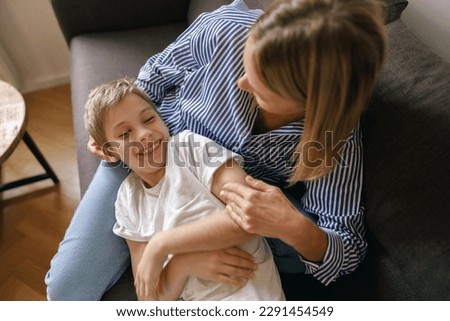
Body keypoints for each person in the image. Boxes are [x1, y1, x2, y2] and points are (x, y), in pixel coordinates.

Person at [46, 0, 387, 300]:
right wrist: (119, 129)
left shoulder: (331, 140)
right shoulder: (225, 29)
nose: (241, 82)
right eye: (246, 61)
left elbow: (347, 246)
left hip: (224, 206)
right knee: (66, 290)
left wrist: (294, 228)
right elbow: (154, 75)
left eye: (260, 81)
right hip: (151, 159)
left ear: (310, 99)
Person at [83, 77, 285, 300]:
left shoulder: (190, 149)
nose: (143, 134)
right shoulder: (128, 200)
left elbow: (254, 214)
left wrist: (161, 245)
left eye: (149, 119)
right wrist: (183, 264)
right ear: (110, 153)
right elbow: (149, 298)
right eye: (124, 134)